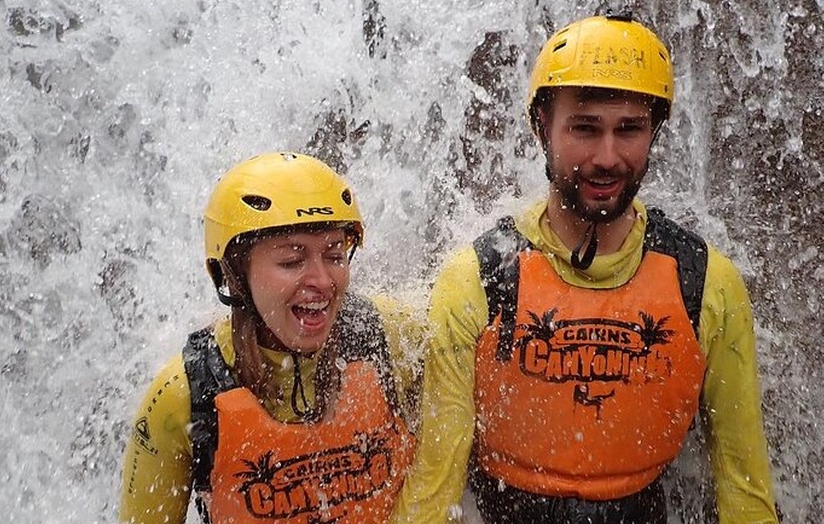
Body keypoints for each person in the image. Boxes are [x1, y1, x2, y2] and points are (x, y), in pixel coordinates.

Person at [391, 13, 779, 524]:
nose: (608, 157)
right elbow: (434, 489)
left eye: (630, 130)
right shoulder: (480, 281)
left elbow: (743, 487)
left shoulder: (705, 284)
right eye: (585, 128)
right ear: (541, 127)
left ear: (654, 133)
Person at [119, 152, 422, 524]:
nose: (322, 281)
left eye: (335, 255)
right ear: (234, 274)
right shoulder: (184, 394)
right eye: (292, 261)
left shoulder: (390, 336)